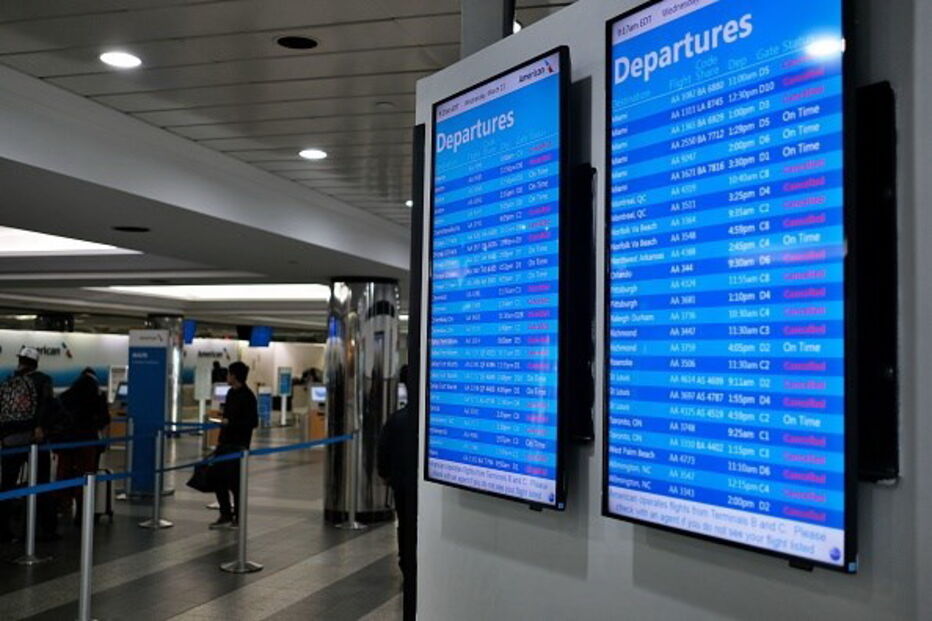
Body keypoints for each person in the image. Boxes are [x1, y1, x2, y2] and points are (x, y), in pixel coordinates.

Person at [0, 346, 58, 542]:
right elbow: (47, 405)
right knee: (42, 483)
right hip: (34, 439)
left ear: (20, 361)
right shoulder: (43, 380)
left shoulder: (10, 380)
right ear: (36, 362)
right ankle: (45, 529)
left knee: (7, 484)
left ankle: (4, 529)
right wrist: (40, 427)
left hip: (10, 440)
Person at [377, 365, 416, 615]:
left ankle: (407, 565)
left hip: (401, 484)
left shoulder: (396, 419)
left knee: (405, 525)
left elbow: (383, 452)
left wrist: (385, 476)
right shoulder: (433, 418)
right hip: (420, 487)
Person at [56, 368, 109, 524]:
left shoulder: (67, 394)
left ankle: (62, 506)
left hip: (67, 442)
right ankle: (82, 513)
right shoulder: (97, 394)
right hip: (88, 442)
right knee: (86, 475)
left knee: (65, 473)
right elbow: (104, 419)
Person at [210, 361, 257, 529]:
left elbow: (253, 422)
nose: (227, 376)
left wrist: (232, 422)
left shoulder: (248, 396)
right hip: (224, 443)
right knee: (218, 479)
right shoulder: (230, 393)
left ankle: (239, 517)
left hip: (238, 446)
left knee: (235, 484)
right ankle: (225, 514)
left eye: (229, 373)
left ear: (235, 376)